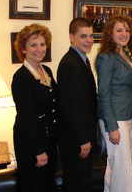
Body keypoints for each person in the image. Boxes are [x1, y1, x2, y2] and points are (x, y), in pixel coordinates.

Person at [11, 23, 58, 192]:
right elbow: (26, 118)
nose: (39, 49)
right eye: (33, 45)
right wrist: (38, 151)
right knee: (34, 186)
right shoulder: (21, 78)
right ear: (23, 49)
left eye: (42, 44)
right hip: (32, 144)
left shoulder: (46, 71)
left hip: (49, 139)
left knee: (47, 185)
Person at [95, 14, 132, 192]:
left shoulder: (125, 54)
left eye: (127, 30)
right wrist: (112, 127)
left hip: (129, 116)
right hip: (115, 120)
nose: (124, 33)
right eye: (119, 29)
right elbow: (103, 93)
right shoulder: (106, 57)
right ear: (110, 33)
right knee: (123, 171)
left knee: (116, 168)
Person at [57, 18, 98, 192]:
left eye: (91, 36)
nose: (89, 40)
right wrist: (83, 140)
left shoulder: (80, 60)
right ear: (71, 37)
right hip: (76, 141)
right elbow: (71, 108)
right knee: (77, 184)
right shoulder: (70, 64)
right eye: (83, 36)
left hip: (80, 137)